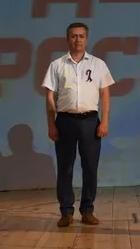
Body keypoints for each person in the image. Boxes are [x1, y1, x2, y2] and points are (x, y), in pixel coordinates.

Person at [42, 22, 115, 227]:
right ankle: (66, 212)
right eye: (73, 36)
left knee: (90, 167)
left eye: (81, 36)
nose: (77, 40)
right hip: (65, 120)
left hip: (90, 121)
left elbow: (105, 94)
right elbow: (49, 97)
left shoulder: (98, 64)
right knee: (65, 167)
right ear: (68, 39)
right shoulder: (57, 65)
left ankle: (87, 210)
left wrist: (105, 121)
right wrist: (51, 125)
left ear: (87, 39)